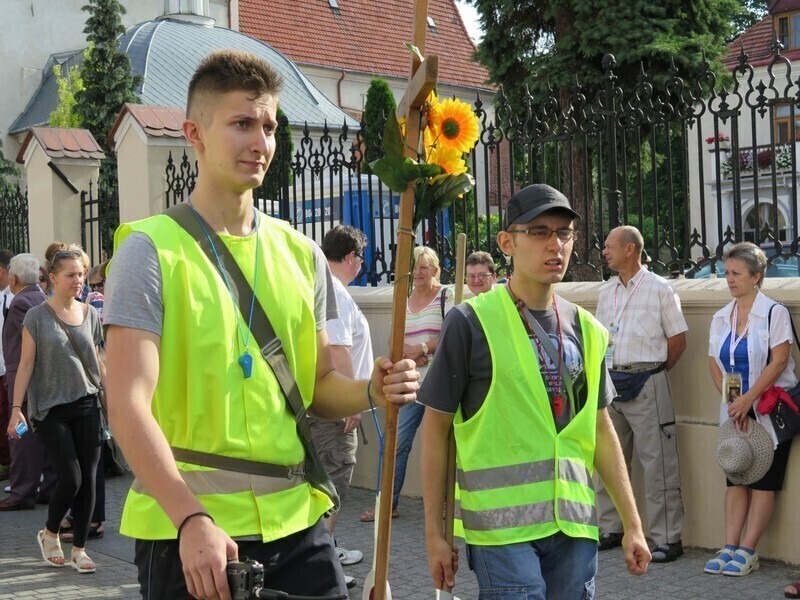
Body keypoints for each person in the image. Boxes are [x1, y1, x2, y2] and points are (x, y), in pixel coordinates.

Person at [103, 49, 418, 600]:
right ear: (194, 134)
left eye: (269, 125)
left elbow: (320, 389)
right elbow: (127, 405)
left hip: (297, 526)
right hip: (192, 534)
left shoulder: (302, 255)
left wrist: (373, 389)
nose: (261, 142)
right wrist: (189, 518)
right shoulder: (150, 250)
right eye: (242, 123)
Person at [420, 184, 650, 599]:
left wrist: (632, 524)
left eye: (564, 233)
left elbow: (601, 431)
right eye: (540, 232)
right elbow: (436, 431)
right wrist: (434, 535)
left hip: (574, 527)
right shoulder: (469, 322)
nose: (555, 244)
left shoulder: (589, 330)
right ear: (507, 242)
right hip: (501, 531)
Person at [6, 248, 104, 574]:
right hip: (50, 409)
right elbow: (25, 366)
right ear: (52, 277)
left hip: (88, 403)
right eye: (71, 275)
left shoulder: (90, 314)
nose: (78, 281)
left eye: (81, 274)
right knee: (72, 476)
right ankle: (49, 532)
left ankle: (79, 549)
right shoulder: (36, 316)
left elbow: (99, 363)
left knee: (89, 480)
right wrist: (17, 409)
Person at [595, 225, 688, 563]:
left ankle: (667, 538)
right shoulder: (606, 293)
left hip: (647, 381)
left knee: (658, 463)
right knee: (608, 459)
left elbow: (678, 341)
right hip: (611, 383)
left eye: (609, 246)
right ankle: (610, 528)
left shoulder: (660, 289)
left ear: (630, 249)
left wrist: (653, 375)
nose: (604, 251)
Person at [706, 242, 795, 577]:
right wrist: (733, 403)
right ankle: (729, 545)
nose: (729, 280)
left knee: (764, 481)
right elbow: (714, 364)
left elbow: (779, 361)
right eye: (727, 273)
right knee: (736, 477)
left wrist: (749, 400)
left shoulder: (774, 313)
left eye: (736, 273)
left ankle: (748, 549)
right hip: (735, 410)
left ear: (756, 277)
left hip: (768, 409)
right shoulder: (719, 317)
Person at [360, 245, 453, 522]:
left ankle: (445, 506)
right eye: (415, 267)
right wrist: (403, 353)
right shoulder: (405, 298)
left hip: (438, 383)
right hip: (410, 383)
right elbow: (393, 340)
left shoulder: (445, 296)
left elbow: (452, 334)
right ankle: (386, 504)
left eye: (424, 267)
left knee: (443, 444)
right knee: (394, 441)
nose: (419, 272)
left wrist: (423, 348)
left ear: (435, 270)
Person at [308, 225, 374, 588]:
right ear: (350, 257)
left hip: (326, 403)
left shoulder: (325, 286)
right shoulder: (333, 290)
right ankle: (319, 563)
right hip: (335, 407)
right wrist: (352, 401)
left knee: (326, 479)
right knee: (333, 479)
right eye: (359, 259)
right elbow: (338, 349)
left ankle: (325, 550)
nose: (360, 265)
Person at [0, 253, 55, 511]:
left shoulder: (22, 302)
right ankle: (47, 488)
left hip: (23, 383)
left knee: (20, 437)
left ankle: (22, 492)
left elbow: (25, 349)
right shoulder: (39, 297)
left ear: (14, 277)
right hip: (35, 382)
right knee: (40, 436)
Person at [0, 249, 14, 481]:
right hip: (5, 370)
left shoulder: (14, 299)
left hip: (10, 371)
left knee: (10, 416)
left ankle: (9, 461)